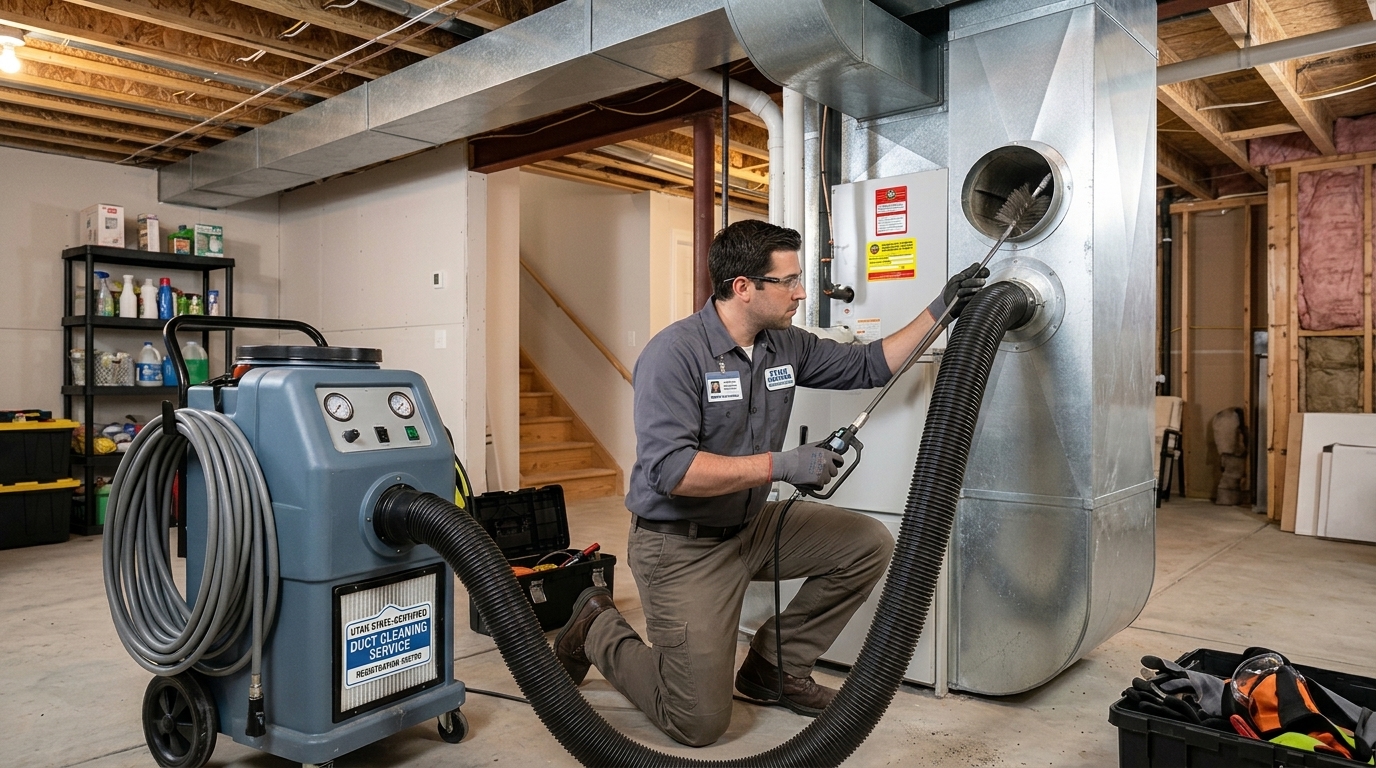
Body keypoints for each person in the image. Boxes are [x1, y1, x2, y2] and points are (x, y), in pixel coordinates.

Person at [552, 220, 988, 747]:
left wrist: (941, 308)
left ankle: (774, 669)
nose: (801, 292)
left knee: (867, 543)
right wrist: (782, 465)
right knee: (696, 723)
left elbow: (870, 365)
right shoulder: (675, 355)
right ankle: (595, 626)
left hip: (750, 527)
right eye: (789, 281)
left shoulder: (783, 345)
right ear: (743, 287)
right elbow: (672, 471)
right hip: (681, 547)